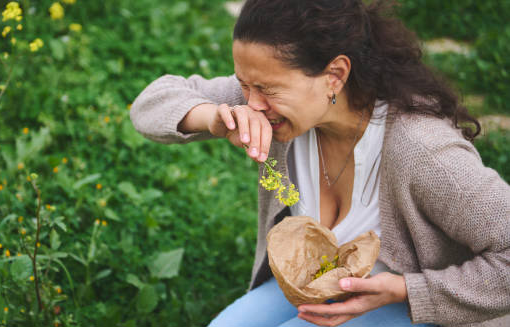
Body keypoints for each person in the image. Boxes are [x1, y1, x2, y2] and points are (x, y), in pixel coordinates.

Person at [130, 0, 510, 326]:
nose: (252, 102)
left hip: (416, 308)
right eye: (245, 85)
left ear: (335, 75)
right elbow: (150, 103)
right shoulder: (264, 100)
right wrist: (213, 116)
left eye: (267, 90)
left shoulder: (422, 150)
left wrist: (408, 289)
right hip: (318, 282)